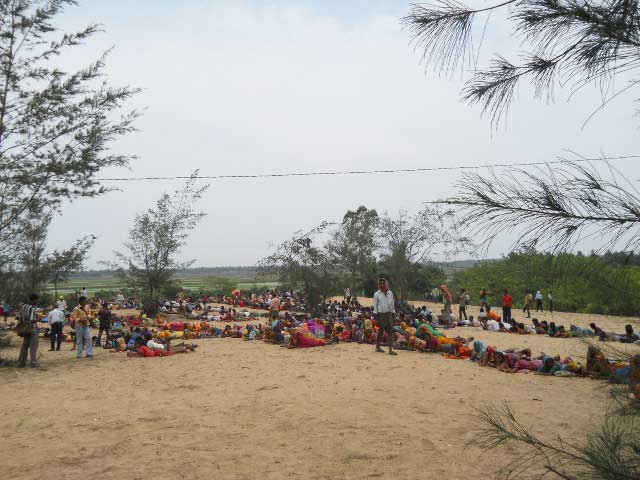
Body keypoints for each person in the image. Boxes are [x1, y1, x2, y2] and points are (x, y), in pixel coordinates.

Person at [373, 277, 396, 355]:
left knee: (390, 332)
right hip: (381, 314)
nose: (382, 285)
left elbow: (392, 304)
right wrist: (376, 317)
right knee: (380, 330)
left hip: (389, 314)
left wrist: (393, 312)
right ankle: (377, 347)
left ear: (386, 284)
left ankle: (390, 350)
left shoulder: (390, 293)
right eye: (380, 284)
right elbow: (375, 306)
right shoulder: (377, 294)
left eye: (383, 283)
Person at [17, 294, 40, 368]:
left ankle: (21, 362)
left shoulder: (23, 307)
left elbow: (19, 318)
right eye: (37, 299)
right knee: (33, 346)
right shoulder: (33, 308)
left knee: (24, 346)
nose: (37, 301)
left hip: (24, 328)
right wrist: (38, 319)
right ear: (34, 300)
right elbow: (32, 320)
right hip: (32, 328)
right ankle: (34, 362)